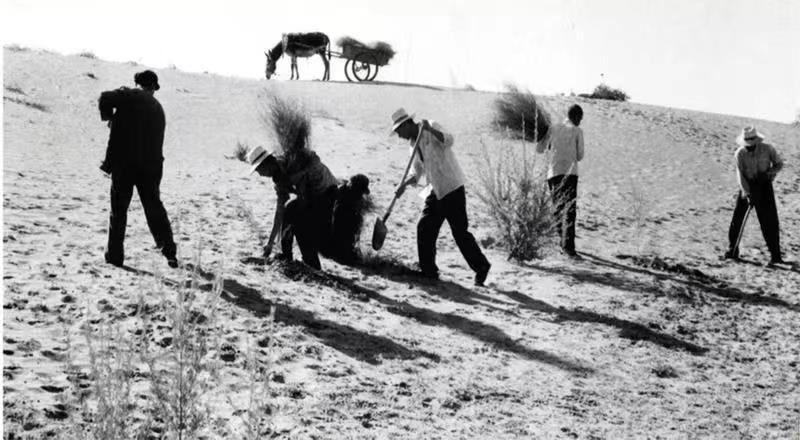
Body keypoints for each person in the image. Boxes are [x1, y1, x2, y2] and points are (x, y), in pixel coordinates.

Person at [391, 108, 491, 286]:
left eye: (399, 131)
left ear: (407, 124)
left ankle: (481, 267)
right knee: (424, 227)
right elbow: (416, 172)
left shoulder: (431, 125)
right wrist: (403, 185)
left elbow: (449, 140)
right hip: (435, 190)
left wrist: (430, 130)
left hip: (451, 186)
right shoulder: (412, 145)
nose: (399, 136)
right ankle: (429, 271)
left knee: (460, 232)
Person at [98, 70, 178, 268]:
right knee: (154, 208)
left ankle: (115, 257)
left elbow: (104, 97)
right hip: (150, 167)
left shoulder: (128, 95)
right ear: (152, 87)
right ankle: (169, 252)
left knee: (118, 211)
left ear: (137, 84)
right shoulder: (157, 108)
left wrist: (109, 117)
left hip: (124, 165)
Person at [247, 145, 340, 270]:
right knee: (290, 211)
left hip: (328, 193)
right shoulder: (279, 178)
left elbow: (304, 198)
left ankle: (311, 264)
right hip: (312, 197)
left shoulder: (293, 163)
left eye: (259, 169)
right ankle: (286, 256)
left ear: (267, 164)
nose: (260, 174)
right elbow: (279, 212)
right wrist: (270, 243)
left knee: (298, 219)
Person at [723, 126, 786, 266]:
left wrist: (769, 174)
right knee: (738, 219)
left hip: (764, 187)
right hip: (747, 185)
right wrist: (747, 193)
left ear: (756, 139)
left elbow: (779, 164)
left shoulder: (768, 149)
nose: (750, 145)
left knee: (769, 221)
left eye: (752, 141)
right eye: (747, 142)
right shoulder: (740, 153)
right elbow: (740, 176)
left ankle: (775, 255)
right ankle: (732, 249)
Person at [536, 104, 585, 258]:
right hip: (570, 173)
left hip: (554, 173)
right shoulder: (577, 131)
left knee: (557, 208)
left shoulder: (553, 128)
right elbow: (580, 155)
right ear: (576, 117)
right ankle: (568, 247)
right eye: (580, 118)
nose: (580, 121)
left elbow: (539, 149)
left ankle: (561, 242)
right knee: (569, 210)